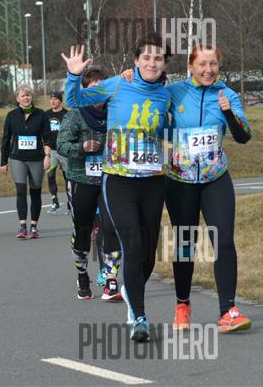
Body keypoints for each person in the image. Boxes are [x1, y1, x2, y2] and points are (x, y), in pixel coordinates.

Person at [61, 34, 171, 343]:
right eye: (146, 57)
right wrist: (74, 75)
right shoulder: (118, 84)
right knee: (132, 245)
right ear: (136, 61)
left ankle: (130, 289)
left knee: (148, 255)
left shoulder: (168, 94)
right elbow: (75, 101)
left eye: (158, 59)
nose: (152, 63)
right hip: (119, 179)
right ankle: (139, 316)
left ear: (164, 65)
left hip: (153, 179)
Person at [162, 45, 253, 333]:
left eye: (213, 64)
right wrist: (131, 76)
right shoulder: (174, 92)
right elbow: (148, 96)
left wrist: (228, 114)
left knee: (223, 240)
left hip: (216, 179)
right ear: (190, 66)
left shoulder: (227, 94)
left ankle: (228, 310)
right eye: (202, 64)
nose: (208, 70)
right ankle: (182, 306)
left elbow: (244, 136)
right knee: (185, 244)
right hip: (180, 181)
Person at [57, 67, 122, 301]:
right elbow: (61, 145)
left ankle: (111, 279)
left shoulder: (115, 111)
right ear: (85, 91)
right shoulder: (76, 114)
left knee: (112, 227)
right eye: (93, 87)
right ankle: (82, 274)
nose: (98, 92)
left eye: (102, 87)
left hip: (110, 179)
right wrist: (82, 148)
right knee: (83, 230)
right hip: (81, 179)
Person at [0, 85, 52, 239]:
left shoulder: (41, 114)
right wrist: (3, 162)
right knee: (21, 190)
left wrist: (47, 156)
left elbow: (47, 137)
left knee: (35, 192)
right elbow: (6, 139)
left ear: (31, 97)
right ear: (18, 99)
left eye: (28, 95)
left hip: (37, 158)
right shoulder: (12, 115)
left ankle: (34, 227)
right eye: (23, 95)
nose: (26, 98)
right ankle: (22, 226)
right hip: (18, 158)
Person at [45, 92, 69, 214]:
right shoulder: (46, 114)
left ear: (60, 101)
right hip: (52, 150)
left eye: (55, 99)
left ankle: (70, 204)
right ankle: (55, 203)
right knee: (50, 176)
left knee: (67, 177)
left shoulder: (66, 114)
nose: (53, 101)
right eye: (51, 99)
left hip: (64, 150)